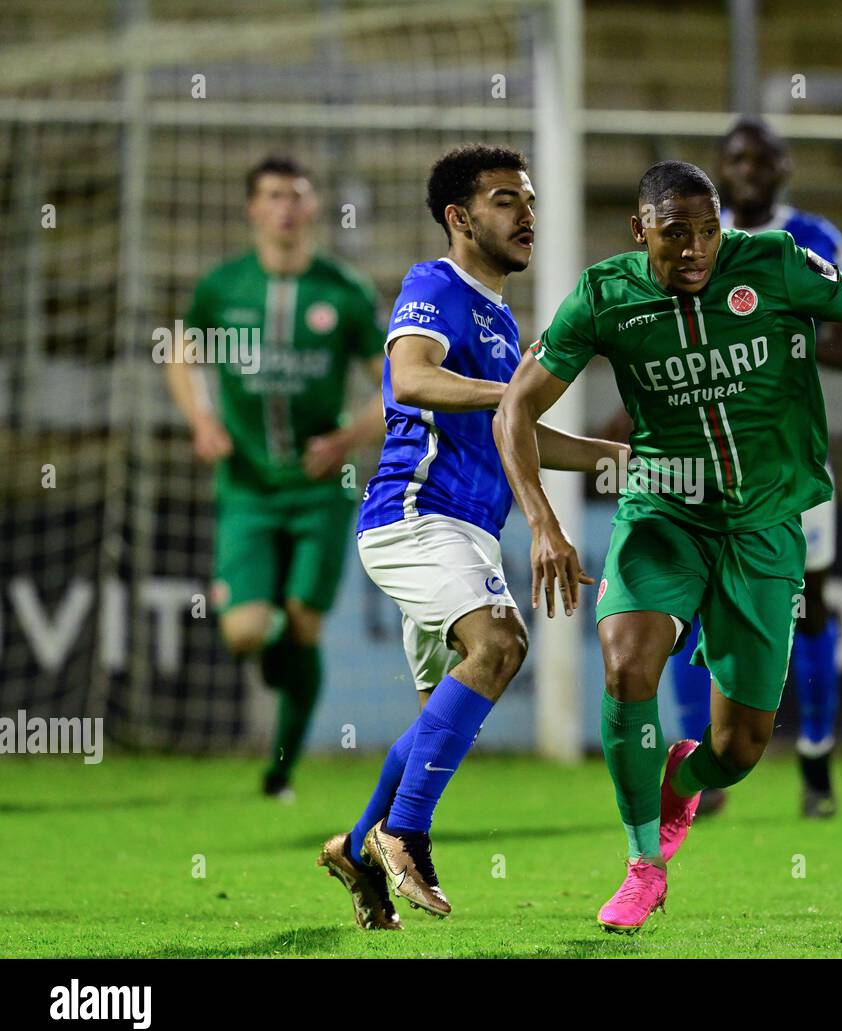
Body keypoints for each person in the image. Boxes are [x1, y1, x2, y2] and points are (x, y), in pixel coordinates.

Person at [495, 160, 842, 933]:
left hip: (765, 525)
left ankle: (688, 779)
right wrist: (541, 522)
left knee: (740, 747)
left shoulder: (772, 265)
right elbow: (514, 410)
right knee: (628, 663)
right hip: (663, 511)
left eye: (708, 232)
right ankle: (644, 865)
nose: (697, 249)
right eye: (676, 235)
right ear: (640, 232)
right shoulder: (605, 296)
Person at [316, 144, 627, 930]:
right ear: (459, 218)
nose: (526, 213)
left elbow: (511, 429)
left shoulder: (501, 315)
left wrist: (610, 456)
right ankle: (404, 833)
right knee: (501, 644)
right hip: (415, 516)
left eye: (529, 199)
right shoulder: (435, 284)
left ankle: (356, 846)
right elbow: (412, 379)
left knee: (438, 721)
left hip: (467, 535)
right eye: (503, 200)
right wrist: (515, 392)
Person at [670, 116, 842, 818]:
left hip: (790, 460)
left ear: (784, 168)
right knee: (694, 603)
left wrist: (779, 336)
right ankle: (706, 766)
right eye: (737, 158)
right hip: (701, 454)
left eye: (763, 158)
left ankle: (816, 768)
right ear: (721, 171)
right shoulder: (694, 236)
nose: (750, 168)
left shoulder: (813, 241)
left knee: (805, 605)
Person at [167, 154, 386, 801]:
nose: (285, 207)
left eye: (296, 195)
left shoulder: (343, 290)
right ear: (252, 208)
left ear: (313, 208)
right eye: (272, 195)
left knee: (302, 623)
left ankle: (280, 767)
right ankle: (275, 656)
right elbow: (181, 353)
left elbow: (395, 385)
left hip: (322, 487)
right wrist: (201, 418)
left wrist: (349, 433)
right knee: (244, 631)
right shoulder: (222, 287)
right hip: (247, 485)